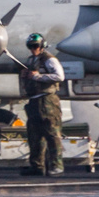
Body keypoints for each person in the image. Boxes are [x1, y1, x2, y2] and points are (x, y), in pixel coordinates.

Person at [22, 32, 66, 176]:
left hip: (48, 100)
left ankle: (56, 166)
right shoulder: (30, 60)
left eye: (35, 46)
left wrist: (38, 77)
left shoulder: (49, 60)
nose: (33, 49)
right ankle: (37, 166)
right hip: (34, 100)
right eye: (31, 46)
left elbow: (59, 76)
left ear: (42, 46)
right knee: (34, 135)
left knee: (52, 134)